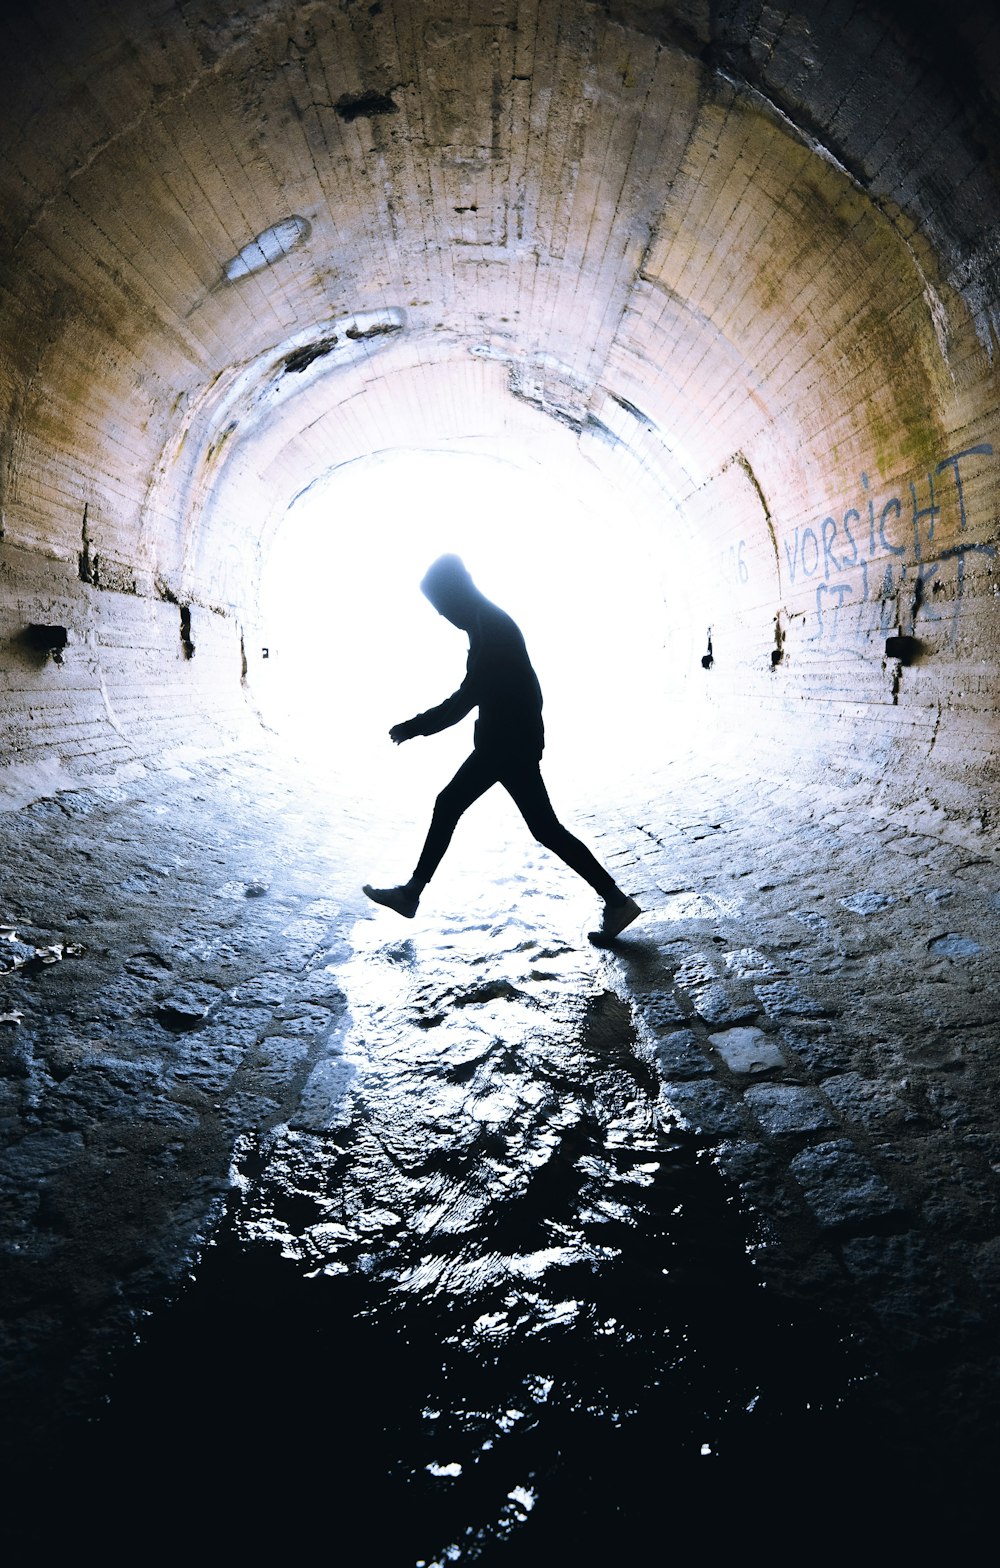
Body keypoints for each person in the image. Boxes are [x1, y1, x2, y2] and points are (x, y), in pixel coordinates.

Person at [362, 554, 641, 944]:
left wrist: (414, 727)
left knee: (453, 805)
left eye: (442, 607)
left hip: (506, 743)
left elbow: (464, 701)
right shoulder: (487, 623)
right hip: (511, 740)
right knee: (544, 828)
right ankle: (615, 900)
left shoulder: (490, 629)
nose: (443, 616)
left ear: (457, 593)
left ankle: (412, 894)